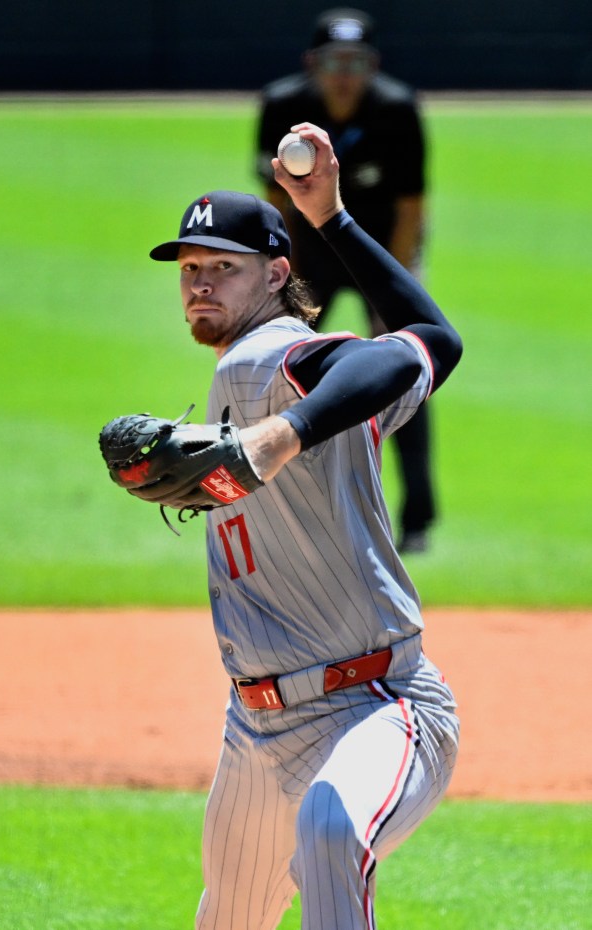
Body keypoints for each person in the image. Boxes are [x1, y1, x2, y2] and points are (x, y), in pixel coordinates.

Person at [140, 123, 462, 929]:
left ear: (278, 274)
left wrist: (281, 436)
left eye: (223, 268)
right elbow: (436, 343)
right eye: (190, 270)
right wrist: (336, 217)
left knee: (330, 829)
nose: (200, 285)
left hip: (379, 706)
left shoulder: (270, 356)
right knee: (229, 917)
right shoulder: (236, 374)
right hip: (255, 726)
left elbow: (386, 358)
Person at [256, 7, 435, 553]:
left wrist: (395, 285)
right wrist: (280, 277)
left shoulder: (397, 109)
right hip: (309, 257)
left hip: (381, 254)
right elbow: (275, 201)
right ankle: (272, 508)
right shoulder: (284, 106)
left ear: (372, 65)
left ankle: (418, 519)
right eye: (334, 61)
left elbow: (411, 206)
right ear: (314, 63)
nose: (344, 73)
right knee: (276, 370)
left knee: (408, 373)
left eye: (356, 62)